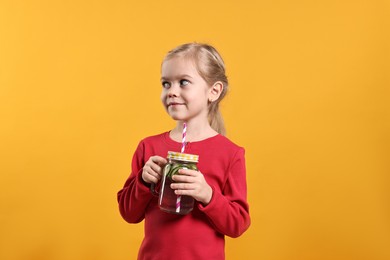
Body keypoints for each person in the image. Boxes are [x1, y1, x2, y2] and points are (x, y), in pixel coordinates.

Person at [117, 42, 250, 260]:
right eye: (166, 83)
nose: (172, 92)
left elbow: (238, 224)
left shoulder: (231, 154)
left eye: (183, 82)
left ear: (213, 91)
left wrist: (207, 194)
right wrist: (142, 181)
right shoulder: (148, 147)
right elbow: (128, 213)